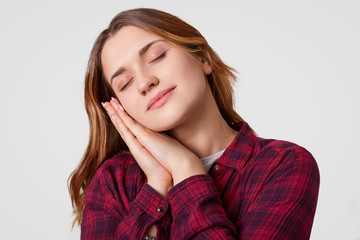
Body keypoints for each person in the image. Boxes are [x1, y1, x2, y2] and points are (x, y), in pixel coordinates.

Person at [68, 8, 320, 240]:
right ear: (120, 107)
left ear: (203, 59)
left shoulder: (284, 165)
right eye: (125, 83)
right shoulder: (113, 181)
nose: (145, 82)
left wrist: (186, 169)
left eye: (156, 56)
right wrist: (156, 186)